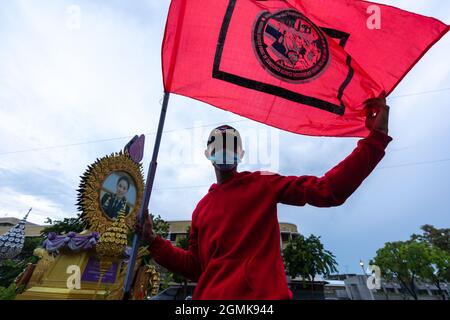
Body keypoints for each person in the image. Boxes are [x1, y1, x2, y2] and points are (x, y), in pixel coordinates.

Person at [135, 96, 392, 300]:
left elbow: (328, 190)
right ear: (207, 153)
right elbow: (196, 267)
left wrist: (376, 138)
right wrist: (154, 242)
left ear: (241, 153)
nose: (224, 148)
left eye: (231, 143)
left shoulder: (263, 183)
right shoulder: (201, 209)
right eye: (218, 144)